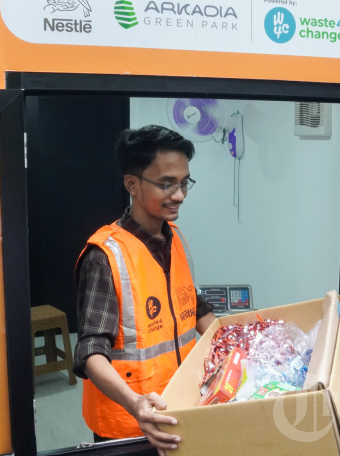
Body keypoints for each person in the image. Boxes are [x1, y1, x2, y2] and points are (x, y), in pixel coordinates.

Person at [72, 125, 217, 453]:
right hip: (129, 422)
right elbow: (91, 350)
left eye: (184, 183)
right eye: (167, 184)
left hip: (180, 405)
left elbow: (192, 305)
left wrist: (234, 346)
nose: (179, 195)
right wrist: (135, 402)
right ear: (132, 184)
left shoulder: (175, 238)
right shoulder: (105, 256)